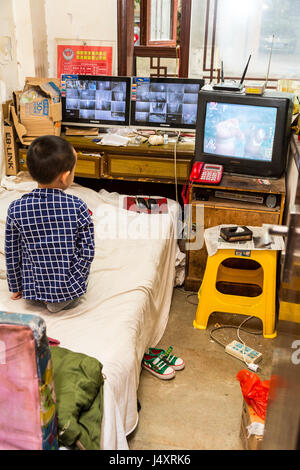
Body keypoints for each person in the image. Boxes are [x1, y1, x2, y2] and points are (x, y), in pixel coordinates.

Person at [5, 135, 95, 313]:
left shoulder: (15, 209)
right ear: (65, 176)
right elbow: (87, 250)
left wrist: (15, 285)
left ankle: (43, 296)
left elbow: (12, 251)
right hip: (68, 286)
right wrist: (75, 280)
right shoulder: (77, 206)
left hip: (33, 288)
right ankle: (59, 299)